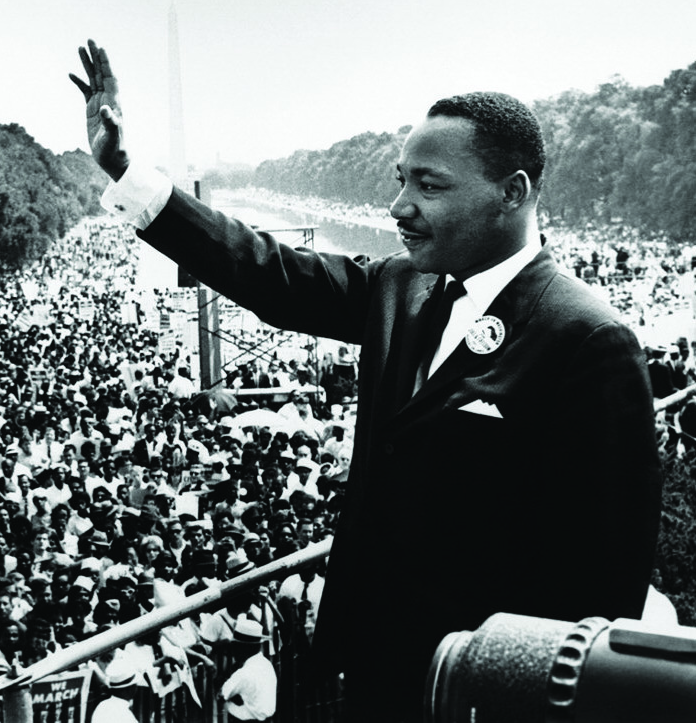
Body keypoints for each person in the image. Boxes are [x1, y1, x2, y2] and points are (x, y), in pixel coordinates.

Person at [70, 41, 663, 721]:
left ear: (514, 192)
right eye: (400, 179)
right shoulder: (399, 286)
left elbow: (601, 585)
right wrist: (124, 169)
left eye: (429, 185)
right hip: (372, 672)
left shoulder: (587, 338)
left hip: (479, 693)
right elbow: (262, 269)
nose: (398, 206)